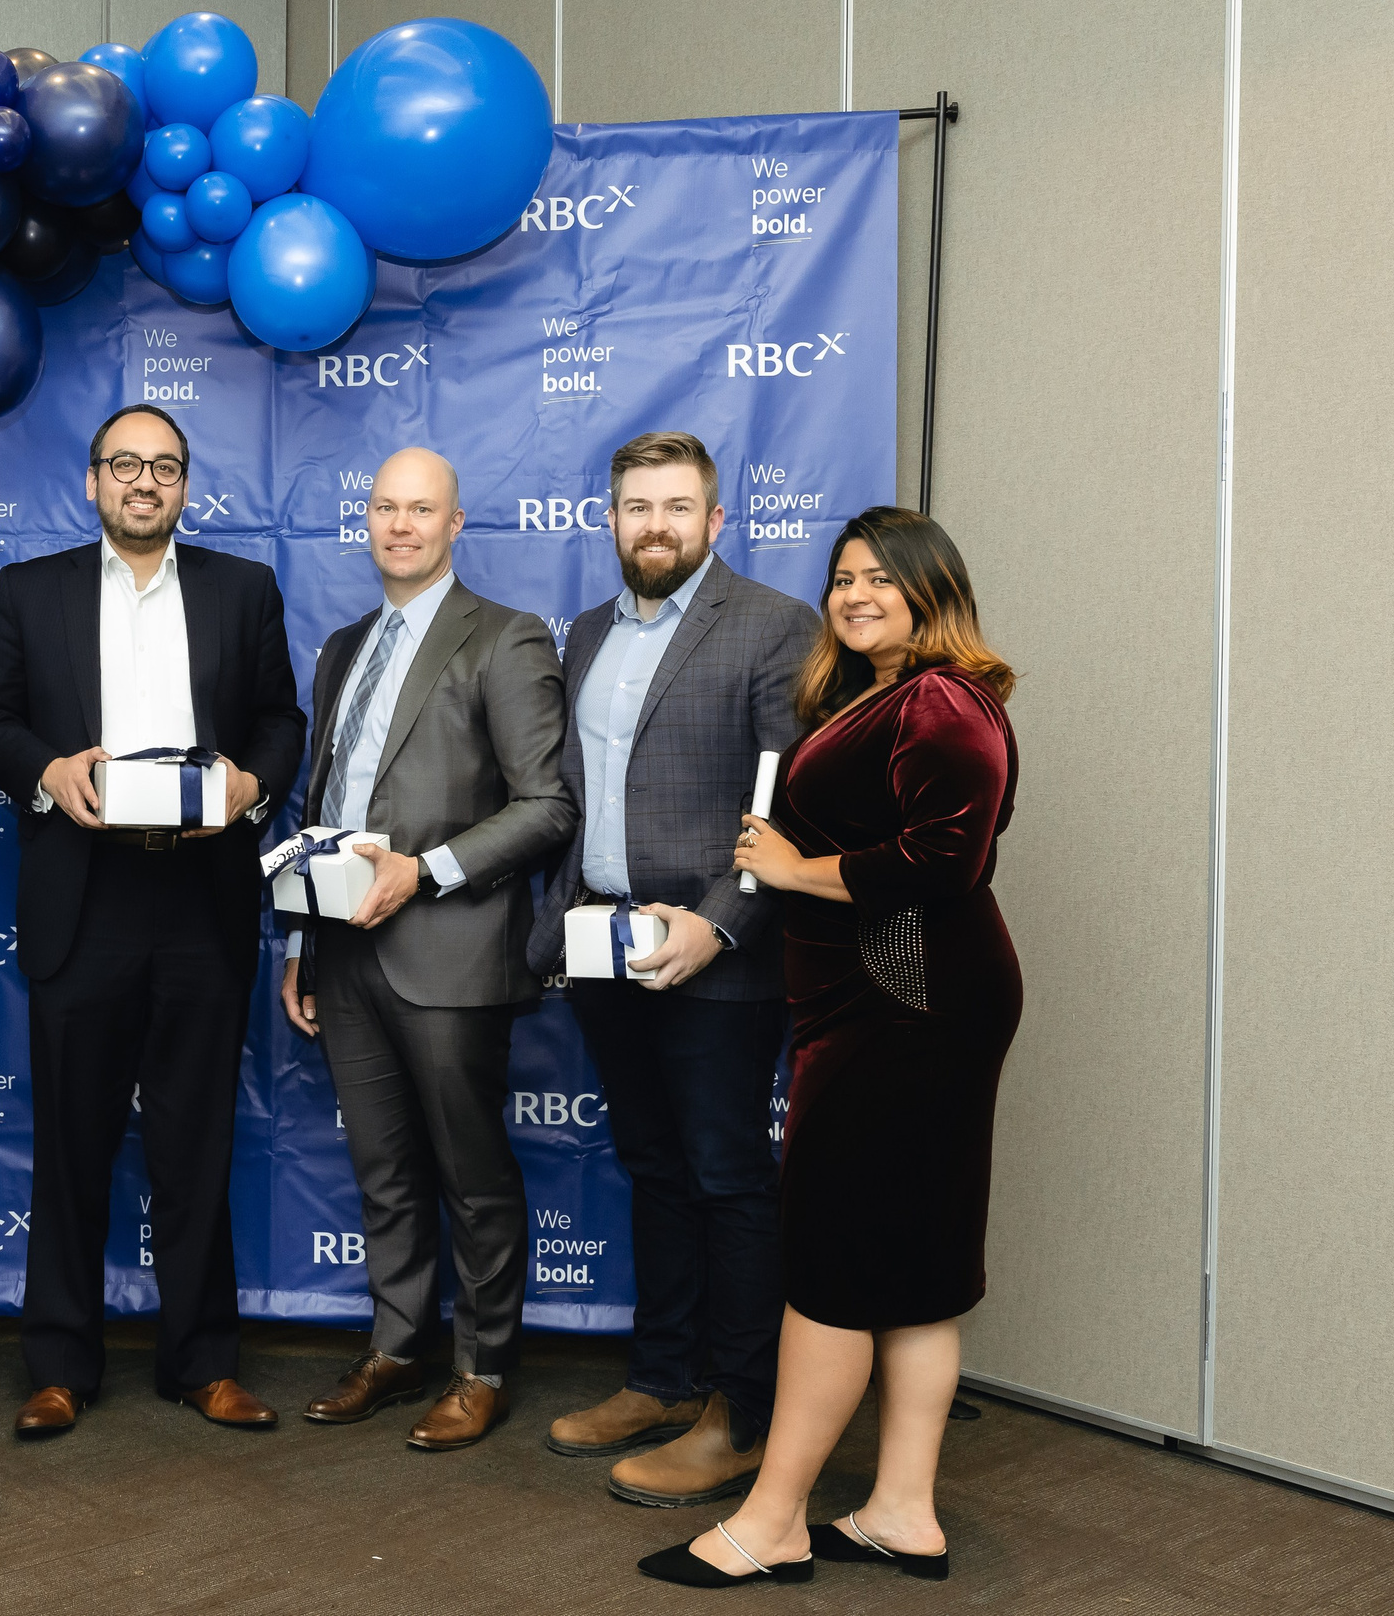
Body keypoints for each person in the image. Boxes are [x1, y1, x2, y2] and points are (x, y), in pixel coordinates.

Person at [641, 505, 1019, 1588]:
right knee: (912, 1266)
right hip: (894, 998)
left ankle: (772, 1522)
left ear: (930, 589)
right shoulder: (886, 697)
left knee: (831, 1269)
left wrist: (788, 868)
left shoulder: (943, 698)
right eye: (842, 578)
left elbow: (943, 860)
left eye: (879, 579)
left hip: (904, 1003)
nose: (854, 595)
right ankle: (901, 1510)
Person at [0, 404, 307, 1438]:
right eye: (124, 465)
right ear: (93, 481)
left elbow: (280, 722)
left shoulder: (243, 590)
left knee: (196, 1143)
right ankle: (59, 1365)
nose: (143, 482)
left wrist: (250, 786)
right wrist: (46, 771)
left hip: (201, 895)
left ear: (186, 487)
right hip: (83, 894)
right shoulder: (31, 590)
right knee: (71, 1142)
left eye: (164, 467)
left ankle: (203, 1364)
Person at [524, 433, 820, 1499]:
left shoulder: (775, 628)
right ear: (609, 520)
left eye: (677, 506)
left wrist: (719, 922)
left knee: (730, 1179)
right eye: (636, 506)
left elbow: (784, 806)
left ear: (715, 521)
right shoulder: (591, 632)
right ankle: (661, 1376)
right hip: (602, 946)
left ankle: (740, 1414)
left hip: (717, 960)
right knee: (650, 1166)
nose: (655, 524)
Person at [281, 446, 575, 1451]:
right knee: (383, 1171)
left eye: (421, 510)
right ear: (365, 522)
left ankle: (482, 1365)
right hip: (345, 952)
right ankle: (398, 1347)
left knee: (471, 1174)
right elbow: (319, 809)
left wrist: (428, 869)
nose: (400, 525)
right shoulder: (340, 647)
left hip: (448, 949)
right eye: (383, 508)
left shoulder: (505, 638)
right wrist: (299, 941)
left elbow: (546, 807)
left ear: (456, 526)